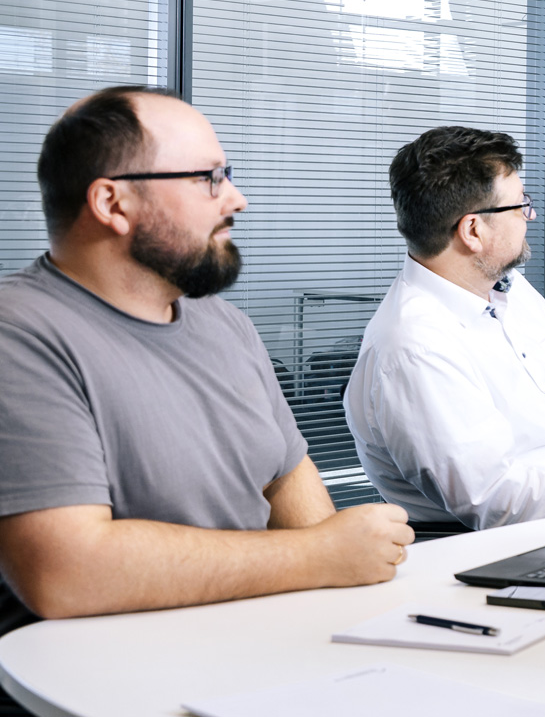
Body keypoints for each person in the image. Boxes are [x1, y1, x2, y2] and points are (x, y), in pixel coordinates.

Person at [0, 86, 413, 641]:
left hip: (260, 645)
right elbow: (66, 572)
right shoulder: (20, 335)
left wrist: (346, 593)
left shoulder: (226, 326)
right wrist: (318, 555)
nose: (236, 199)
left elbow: (286, 477)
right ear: (112, 204)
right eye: (209, 178)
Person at [344, 126, 545, 531]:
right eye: (520, 205)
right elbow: (496, 498)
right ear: (473, 231)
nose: (530, 216)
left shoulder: (510, 289)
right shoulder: (413, 347)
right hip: (522, 547)